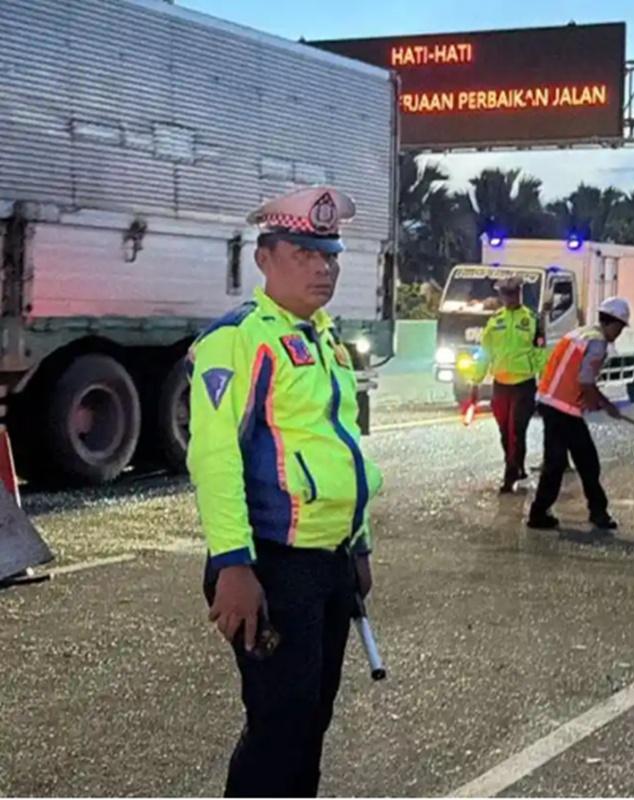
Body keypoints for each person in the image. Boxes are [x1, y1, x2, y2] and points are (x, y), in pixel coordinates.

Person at [188, 185, 384, 798]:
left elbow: (341, 448)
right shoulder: (238, 339)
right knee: (279, 726)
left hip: (327, 564)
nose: (323, 266)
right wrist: (233, 565)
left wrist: (358, 546)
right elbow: (214, 457)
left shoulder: (326, 341)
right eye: (304, 252)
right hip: (270, 564)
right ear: (265, 258)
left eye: (329, 254)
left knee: (311, 722)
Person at [527, 297, 631, 531]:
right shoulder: (598, 343)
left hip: (549, 400)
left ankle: (541, 512)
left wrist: (591, 400)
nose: (620, 333)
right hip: (563, 408)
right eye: (621, 328)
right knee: (586, 462)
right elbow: (585, 381)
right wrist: (606, 405)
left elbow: (575, 376)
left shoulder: (580, 334)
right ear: (612, 323)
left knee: (557, 461)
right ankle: (596, 512)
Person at [464, 275, 547, 493]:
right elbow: (484, 353)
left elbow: (540, 354)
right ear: (501, 296)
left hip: (524, 384)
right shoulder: (495, 321)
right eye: (506, 294)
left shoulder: (532, 319)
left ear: (520, 293)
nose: (510, 297)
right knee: (504, 431)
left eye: (514, 293)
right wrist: (476, 381)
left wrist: (545, 382)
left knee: (517, 431)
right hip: (501, 384)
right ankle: (515, 465)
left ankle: (510, 474)